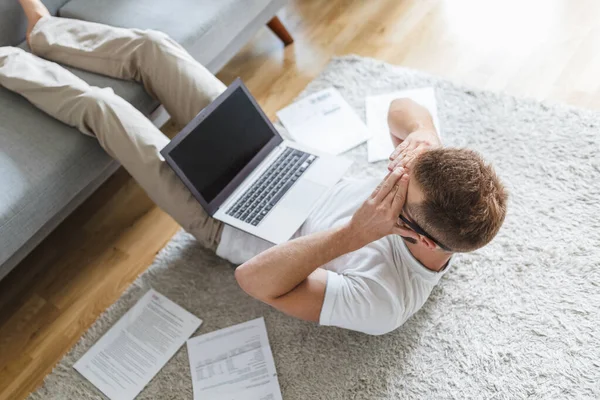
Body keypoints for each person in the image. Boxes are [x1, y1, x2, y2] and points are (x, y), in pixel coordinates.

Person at [1, 0, 507, 335]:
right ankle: (45, 31)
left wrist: (353, 234)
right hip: (277, 153)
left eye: (399, 191)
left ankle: (8, 60)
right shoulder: (439, 189)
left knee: (107, 110)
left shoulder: (383, 302)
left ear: (421, 238)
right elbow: (404, 110)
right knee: (156, 49)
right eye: (404, 171)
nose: (392, 180)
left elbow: (255, 281)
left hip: (221, 219)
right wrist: (422, 139)